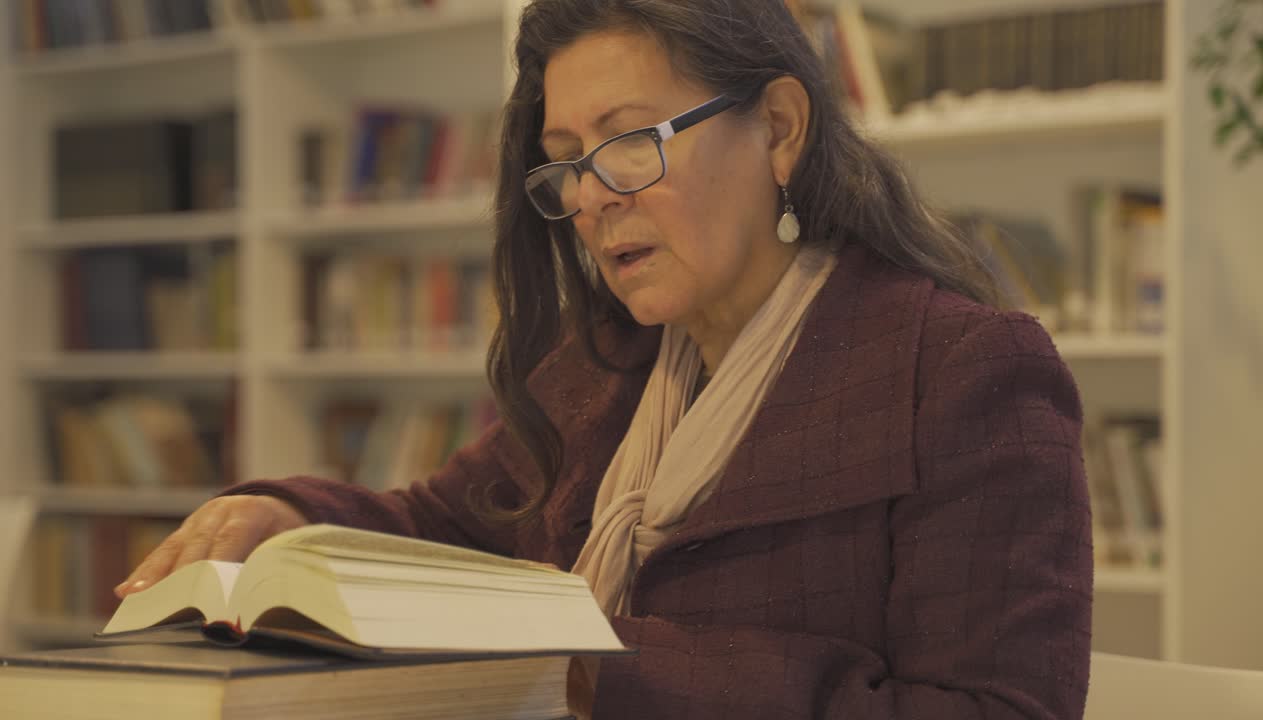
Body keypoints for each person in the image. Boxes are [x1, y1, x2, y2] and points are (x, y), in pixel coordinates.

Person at [116, 1, 1092, 718]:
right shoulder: (601, 370)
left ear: (781, 130)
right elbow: (447, 528)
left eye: (628, 143)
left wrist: (594, 663)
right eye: (565, 158)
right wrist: (289, 514)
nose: (589, 197)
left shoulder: (964, 374)